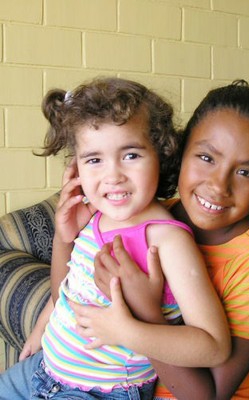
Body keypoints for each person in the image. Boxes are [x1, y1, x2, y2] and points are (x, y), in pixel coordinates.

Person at [0, 77, 230, 399]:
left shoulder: (166, 241)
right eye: (94, 159)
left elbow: (214, 347)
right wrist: (63, 239)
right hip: (43, 370)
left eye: (131, 155)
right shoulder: (96, 217)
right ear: (76, 167)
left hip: (104, 391)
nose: (113, 175)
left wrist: (128, 332)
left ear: (161, 155)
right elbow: (65, 293)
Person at [66, 80, 249, 399]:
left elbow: (208, 396)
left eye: (245, 173)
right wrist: (66, 237)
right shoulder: (156, 217)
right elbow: (75, 295)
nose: (218, 185)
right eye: (207, 158)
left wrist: (146, 309)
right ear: (181, 150)